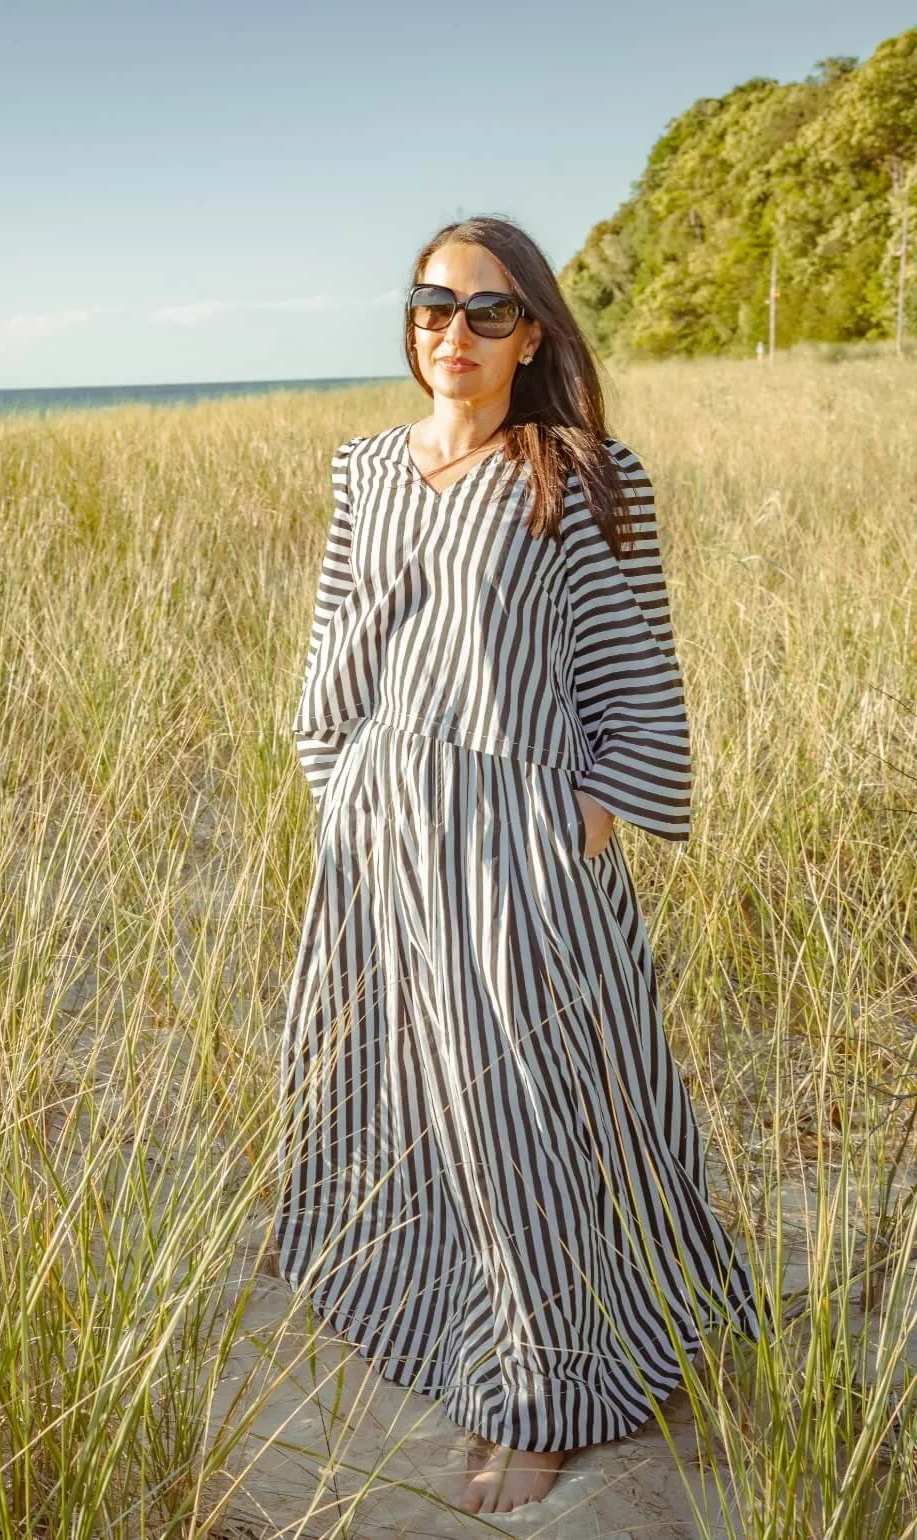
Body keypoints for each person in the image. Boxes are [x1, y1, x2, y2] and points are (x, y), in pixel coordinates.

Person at [273, 215, 768, 1517]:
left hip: (519, 848)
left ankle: (546, 1399)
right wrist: (343, 793)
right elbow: (336, 654)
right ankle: (473, 1350)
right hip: (383, 841)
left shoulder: (585, 470)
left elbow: (637, 683)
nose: (455, 332)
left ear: (533, 332)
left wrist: (578, 824)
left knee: (536, 1126)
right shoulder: (366, 468)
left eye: (489, 312)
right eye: (435, 304)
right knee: (419, 1110)